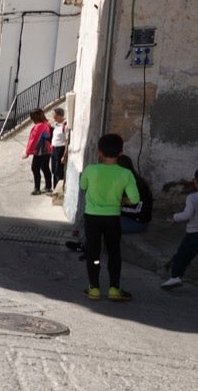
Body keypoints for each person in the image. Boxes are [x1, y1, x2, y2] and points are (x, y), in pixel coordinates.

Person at [78, 133, 139, 301]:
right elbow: (135, 199)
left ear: (99, 152)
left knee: (94, 253)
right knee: (114, 253)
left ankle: (94, 288)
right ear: (121, 153)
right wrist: (122, 200)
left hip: (92, 217)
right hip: (112, 217)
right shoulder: (126, 174)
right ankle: (114, 288)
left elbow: (83, 186)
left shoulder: (91, 169)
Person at [162, 168, 198, 290]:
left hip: (194, 234)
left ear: (195, 182)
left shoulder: (193, 198)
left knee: (182, 256)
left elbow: (187, 214)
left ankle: (176, 277)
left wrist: (175, 218)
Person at [117, 154, 153, 233]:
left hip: (138, 222)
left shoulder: (136, 186)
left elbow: (137, 210)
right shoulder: (131, 179)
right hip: (131, 217)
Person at [23, 108, 53, 195]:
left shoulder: (39, 126)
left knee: (35, 168)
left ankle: (37, 188)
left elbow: (34, 140)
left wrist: (27, 152)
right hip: (47, 150)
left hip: (40, 152)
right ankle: (48, 186)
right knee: (45, 168)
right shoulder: (46, 124)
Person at [50, 107, 68, 188]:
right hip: (54, 149)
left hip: (60, 149)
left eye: (55, 116)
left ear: (60, 116)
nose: (53, 118)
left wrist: (64, 155)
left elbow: (67, 141)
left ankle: (59, 189)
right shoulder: (56, 125)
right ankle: (55, 188)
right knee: (54, 170)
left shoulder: (65, 126)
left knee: (58, 171)